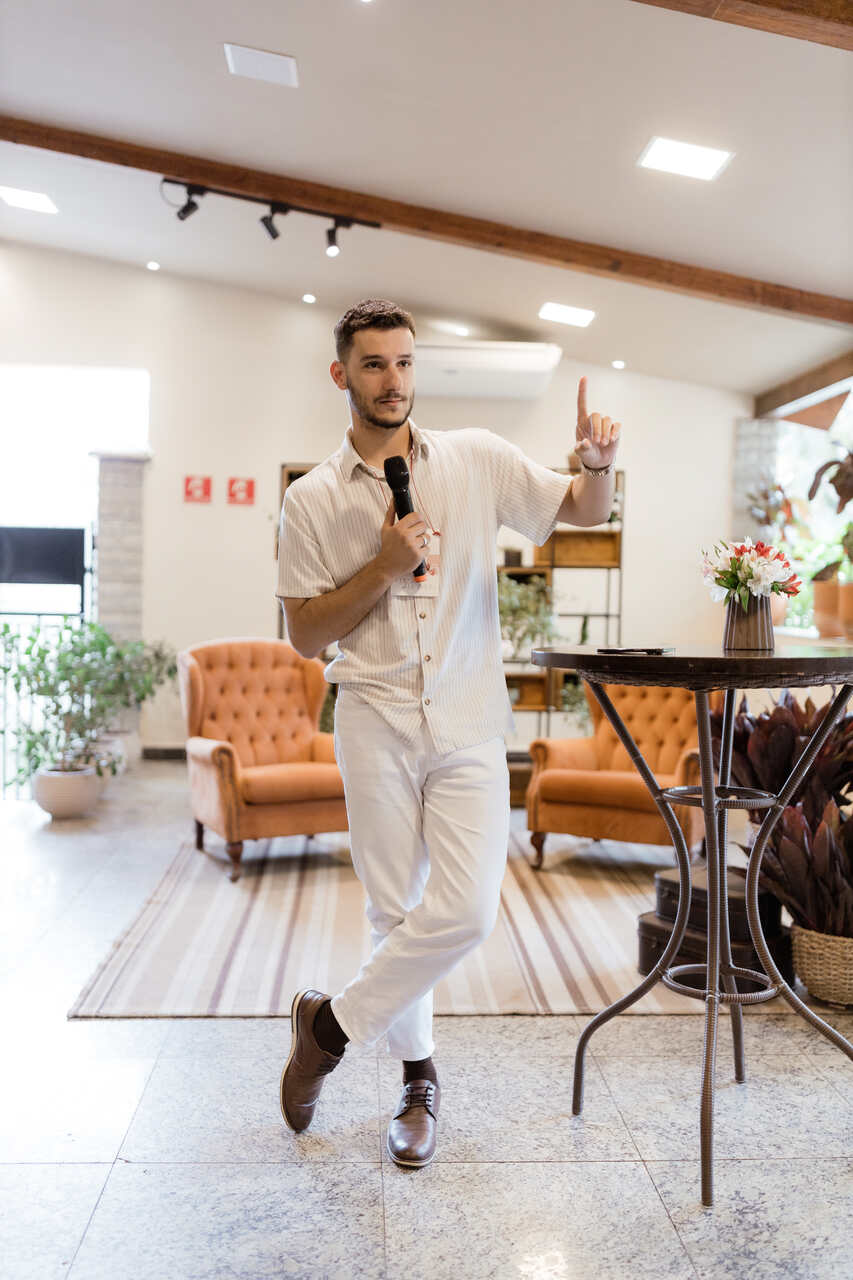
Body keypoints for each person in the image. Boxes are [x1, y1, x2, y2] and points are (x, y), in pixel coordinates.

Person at [276, 298, 620, 1167]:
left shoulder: (476, 459)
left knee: (465, 910)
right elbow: (306, 635)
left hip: (467, 718)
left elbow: (581, 510)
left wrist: (597, 466)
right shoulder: (310, 500)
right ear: (341, 374)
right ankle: (417, 1082)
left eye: (403, 362)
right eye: (373, 364)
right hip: (373, 717)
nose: (392, 380)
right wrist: (383, 567)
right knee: (394, 911)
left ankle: (327, 1028)